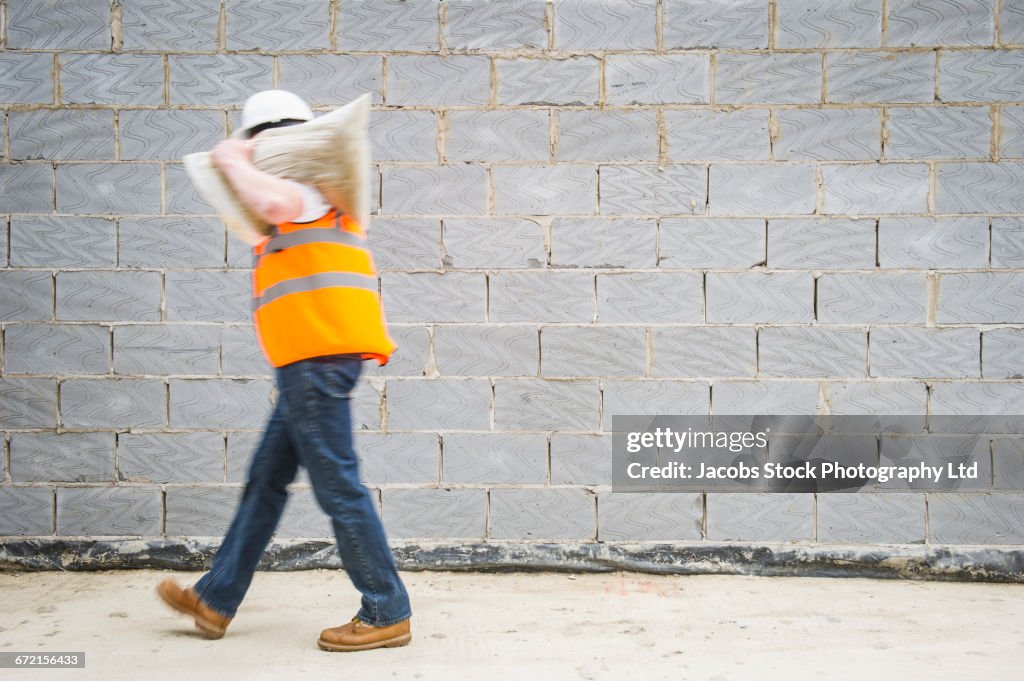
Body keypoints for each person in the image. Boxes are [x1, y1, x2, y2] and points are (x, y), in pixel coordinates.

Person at [156, 90, 412, 652]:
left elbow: (272, 206)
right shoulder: (313, 199)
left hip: (318, 363)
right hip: (308, 364)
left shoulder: (302, 190)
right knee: (266, 482)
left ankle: (386, 608)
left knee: (338, 487)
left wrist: (229, 161)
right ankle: (216, 599)